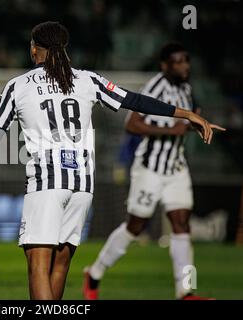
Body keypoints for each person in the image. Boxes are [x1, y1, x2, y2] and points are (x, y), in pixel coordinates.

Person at [0, 23, 224, 300]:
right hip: (82, 186)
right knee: (59, 266)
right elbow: (134, 100)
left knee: (38, 267)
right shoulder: (88, 80)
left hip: (47, 184)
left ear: (34, 49)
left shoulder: (19, 85)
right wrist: (186, 114)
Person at [83, 42, 213, 300]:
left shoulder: (187, 88)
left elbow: (192, 115)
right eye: (177, 61)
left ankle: (185, 292)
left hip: (176, 167)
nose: (184, 66)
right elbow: (132, 125)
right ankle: (95, 272)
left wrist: (193, 125)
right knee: (136, 226)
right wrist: (172, 130)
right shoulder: (155, 88)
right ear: (164, 65)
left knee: (181, 224)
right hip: (150, 168)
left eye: (186, 60)